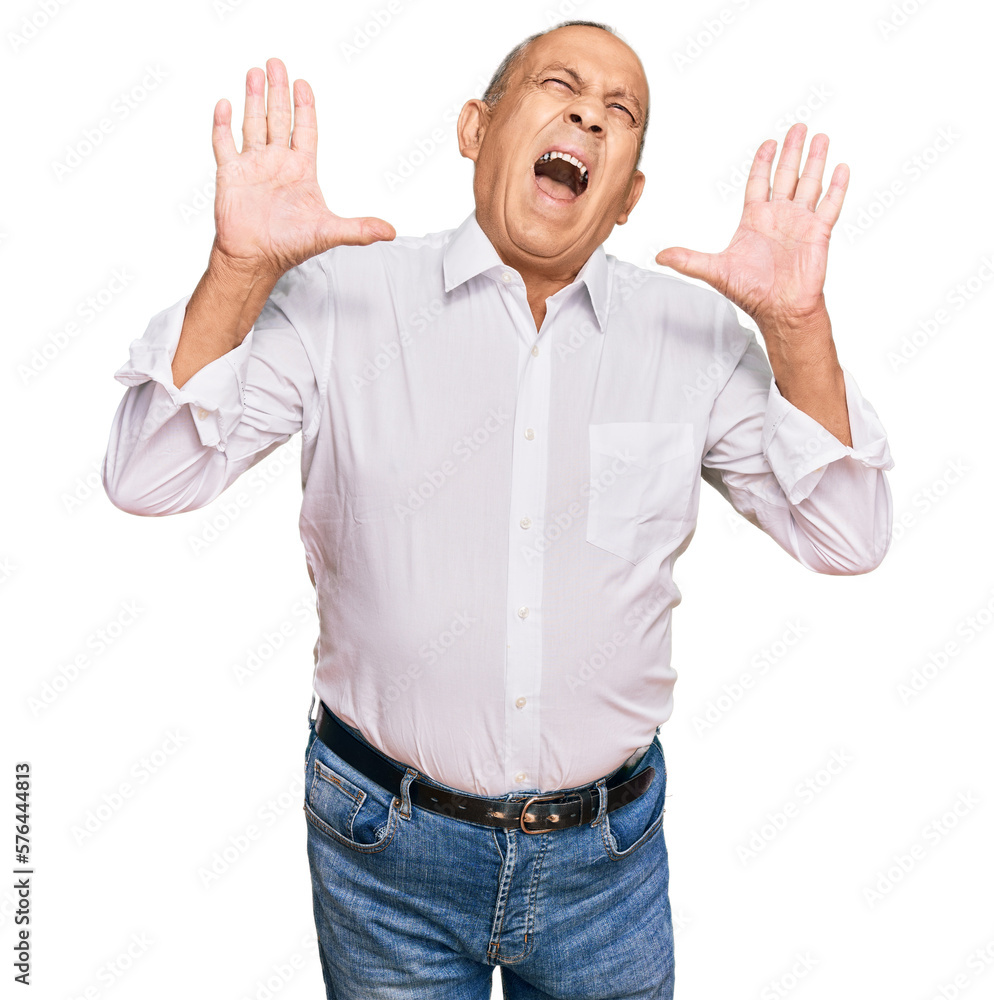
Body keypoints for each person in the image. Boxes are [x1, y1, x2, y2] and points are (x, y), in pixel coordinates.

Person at [101, 19, 893, 1000]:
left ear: (628, 196)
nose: (586, 116)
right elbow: (145, 475)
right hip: (381, 846)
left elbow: (848, 536)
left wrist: (794, 328)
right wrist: (238, 269)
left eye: (619, 114)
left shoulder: (691, 333)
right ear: (477, 127)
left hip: (607, 861)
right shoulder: (340, 297)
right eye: (559, 87)